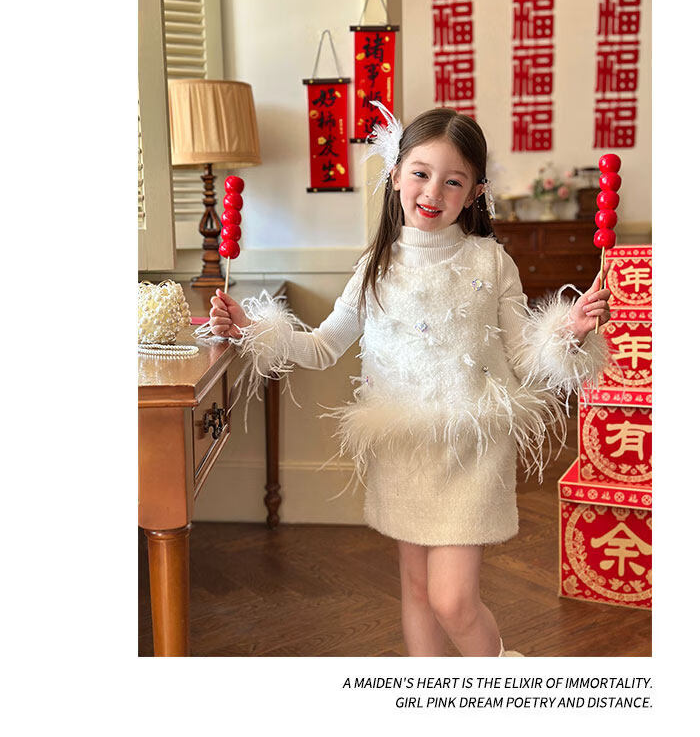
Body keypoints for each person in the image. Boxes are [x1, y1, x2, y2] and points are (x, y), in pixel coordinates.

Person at [203, 104, 612, 658]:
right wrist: (252, 328)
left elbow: (524, 356)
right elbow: (323, 346)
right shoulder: (374, 266)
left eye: (453, 181)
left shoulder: (492, 263)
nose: (433, 191)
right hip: (403, 449)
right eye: (421, 172)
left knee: (453, 601)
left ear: (475, 193)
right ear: (395, 174)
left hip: (472, 449)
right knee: (418, 593)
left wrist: (569, 332)